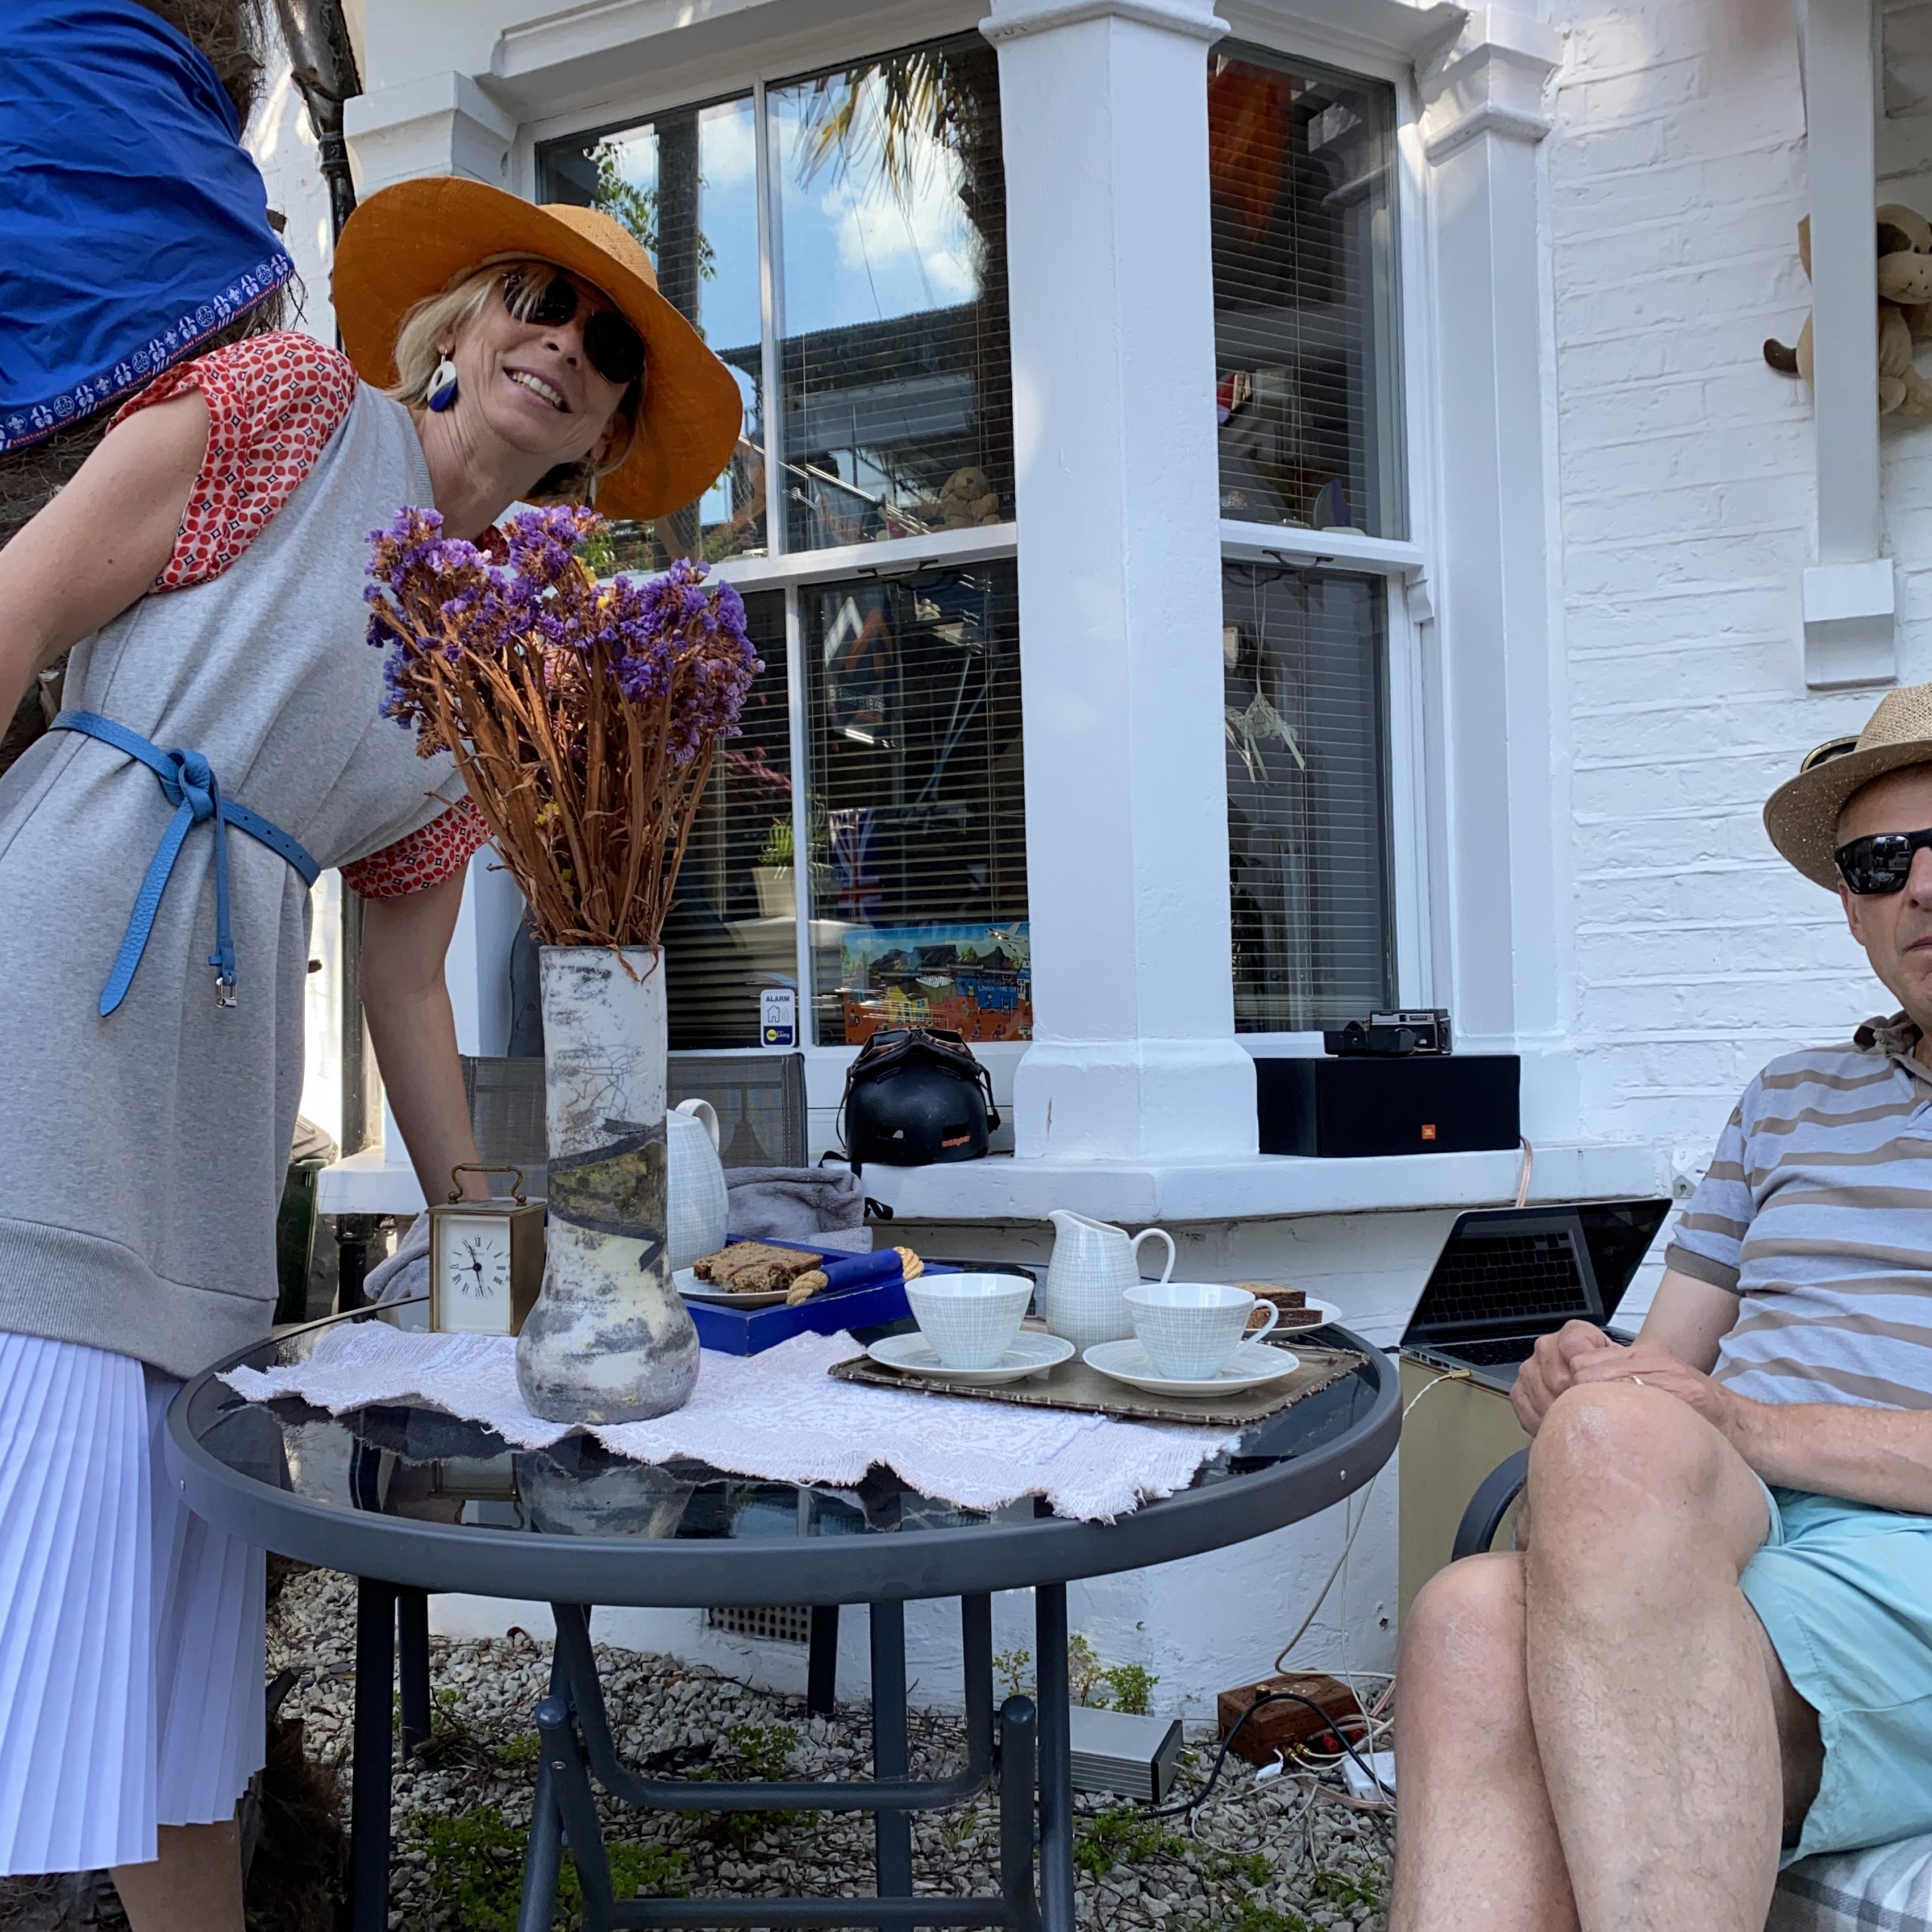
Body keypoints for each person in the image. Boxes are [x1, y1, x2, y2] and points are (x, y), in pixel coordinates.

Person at [0, 165, 740, 1927]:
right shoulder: (287, 410)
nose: (556, 346)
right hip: (44, 960)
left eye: (600, 347)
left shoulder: (493, 664)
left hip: (216, 1075)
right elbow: (20, 603)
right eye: (531, 301)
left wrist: (487, 1243)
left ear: (611, 425)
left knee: (184, 1641)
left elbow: (406, 984)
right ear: (464, 322)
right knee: (51, 1543)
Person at [1392, 681, 1932, 1932]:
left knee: (1504, 1606)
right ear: (1850, 907)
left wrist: (1739, 1427)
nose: (1920, 885)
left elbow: (1714, 1416)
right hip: (1735, 1530)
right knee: (1469, 1618)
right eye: (1882, 859)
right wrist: (1584, 1376)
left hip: (1905, 1543)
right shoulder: (1786, 1101)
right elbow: (1662, 1372)